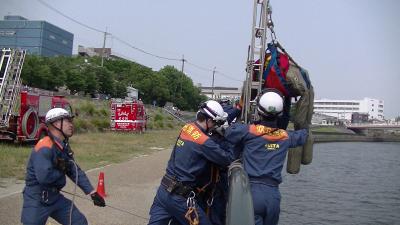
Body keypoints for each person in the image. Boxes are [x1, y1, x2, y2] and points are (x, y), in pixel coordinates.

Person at [224, 89, 308, 225]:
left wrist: (238, 109)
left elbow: (228, 131)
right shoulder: (286, 136)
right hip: (273, 196)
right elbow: (304, 135)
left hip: (251, 193)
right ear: (280, 113)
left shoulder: (248, 131)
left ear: (259, 111)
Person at [148, 100, 235, 225]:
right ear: (209, 120)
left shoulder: (186, 128)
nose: (214, 126)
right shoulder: (204, 142)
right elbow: (227, 159)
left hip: (163, 192)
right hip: (180, 199)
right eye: (215, 123)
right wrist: (229, 136)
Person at [21, 108, 106, 225]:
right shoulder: (44, 147)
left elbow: (74, 170)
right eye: (68, 121)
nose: (71, 125)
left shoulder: (61, 146)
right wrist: (62, 168)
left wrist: (92, 192)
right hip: (37, 199)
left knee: (79, 222)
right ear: (56, 123)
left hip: (55, 197)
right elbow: (44, 177)